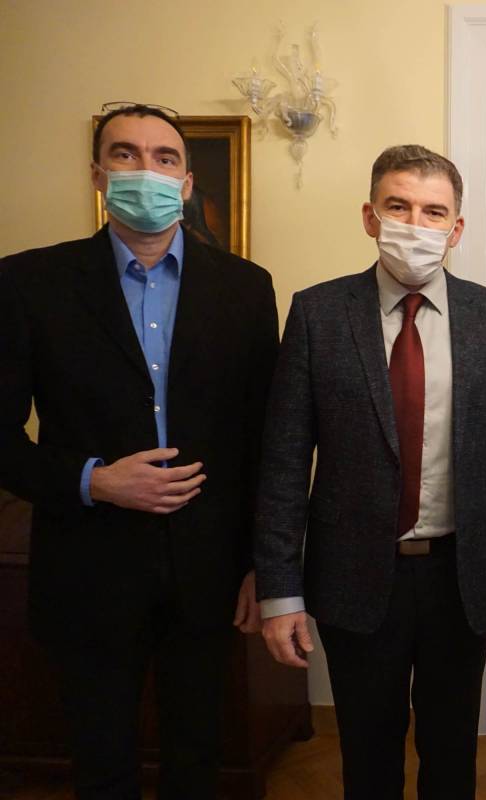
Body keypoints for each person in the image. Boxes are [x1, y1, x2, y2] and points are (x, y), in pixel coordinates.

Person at [255, 144, 486, 799]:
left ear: (456, 227)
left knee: (451, 750)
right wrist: (279, 591)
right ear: (370, 217)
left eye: (433, 212)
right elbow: (283, 462)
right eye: (399, 207)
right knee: (367, 753)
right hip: (352, 574)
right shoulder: (317, 314)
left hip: (462, 574)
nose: (416, 225)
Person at [0, 103, 278, 799]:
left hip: (210, 571)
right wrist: (94, 480)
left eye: (164, 158)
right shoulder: (28, 283)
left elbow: (264, 440)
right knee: (101, 761)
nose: (145, 170)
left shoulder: (247, 289)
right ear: (98, 174)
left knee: (197, 754)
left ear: (185, 182)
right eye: (125, 154)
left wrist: (263, 565)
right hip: (88, 566)